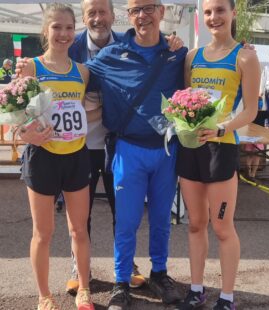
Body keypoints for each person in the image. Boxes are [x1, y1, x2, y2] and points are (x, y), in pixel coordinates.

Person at [86, 0, 187, 309]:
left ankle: (159, 274)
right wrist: (32, 66)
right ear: (127, 16)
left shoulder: (178, 53)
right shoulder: (110, 55)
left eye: (149, 7)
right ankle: (121, 282)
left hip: (166, 150)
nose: (142, 15)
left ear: (162, 11)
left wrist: (243, 51)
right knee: (127, 221)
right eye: (135, 10)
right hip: (128, 150)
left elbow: (207, 74)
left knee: (160, 220)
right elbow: (72, 73)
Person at [175, 0, 260, 309]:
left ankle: (226, 297)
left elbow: (251, 110)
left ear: (233, 13)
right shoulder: (191, 57)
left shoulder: (246, 57)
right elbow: (185, 101)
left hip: (221, 149)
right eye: (208, 12)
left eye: (220, 10)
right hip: (191, 148)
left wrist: (222, 128)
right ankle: (196, 289)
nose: (214, 17)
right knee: (196, 224)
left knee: (222, 226)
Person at [65, 0, 146, 294]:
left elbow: (157, 47)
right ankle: (79, 266)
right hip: (78, 145)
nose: (98, 18)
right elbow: (47, 66)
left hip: (118, 143)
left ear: (113, 15)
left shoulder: (130, 43)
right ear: (84, 17)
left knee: (123, 210)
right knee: (79, 215)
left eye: (103, 12)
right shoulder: (69, 45)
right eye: (91, 13)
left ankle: (127, 265)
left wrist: (173, 41)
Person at [18, 4, 94, 310]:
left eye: (68, 28)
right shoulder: (31, 68)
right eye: (56, 28)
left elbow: (83, 111)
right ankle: (44, 295)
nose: (63, 34)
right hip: (43, 157)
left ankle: (85, 289)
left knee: (79, 229)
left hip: (76, 156)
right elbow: (14, 112)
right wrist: (26, 134)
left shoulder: (83, 72)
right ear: (46, 31)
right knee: (43, 232)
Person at [244, 97, 269, 180]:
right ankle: (253, 174)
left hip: (249, 138)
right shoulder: (262, 113)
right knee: (257, 156)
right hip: (258, 138)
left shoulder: (248, 113)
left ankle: (248, 171)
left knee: (249, 156)